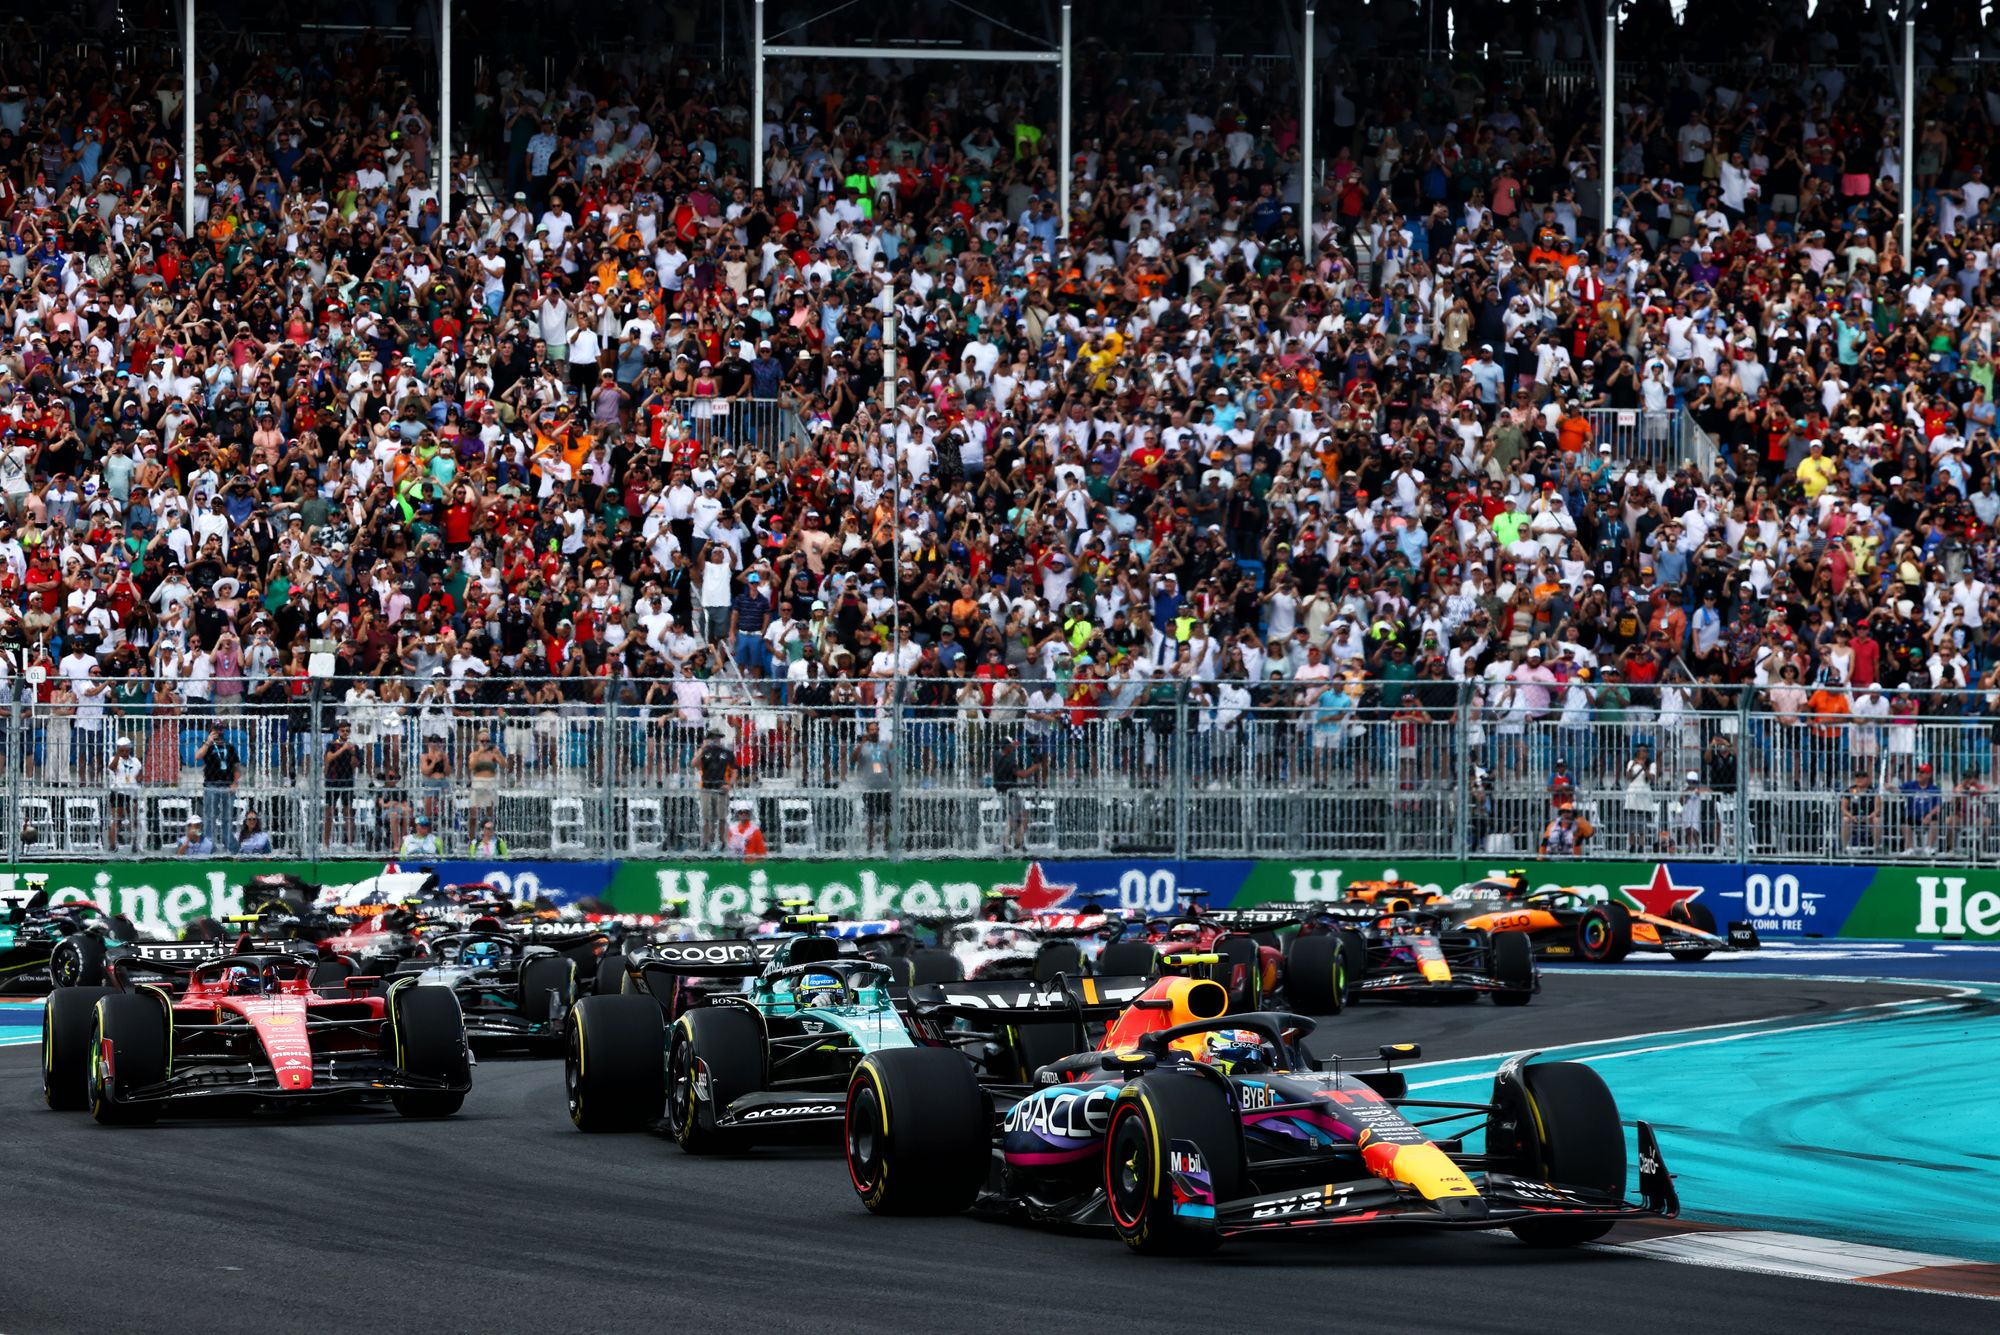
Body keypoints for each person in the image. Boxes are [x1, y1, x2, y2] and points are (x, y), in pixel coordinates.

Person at [195, 726, 242, 854]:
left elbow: (237, 767)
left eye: (220, 729)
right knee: (209, 818)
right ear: (210, 731)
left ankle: (231, 847)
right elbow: (197, 756)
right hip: (211, 785)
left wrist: (235, 783)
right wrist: (208, 742)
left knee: (227, 818)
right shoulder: (207, 746)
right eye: (215, 730)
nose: (218, 732)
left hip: (228, 786)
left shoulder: (230, 747)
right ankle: (209, 847)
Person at [993, 733, 1044, 852]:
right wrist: (1036, 766)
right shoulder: (1009, 761)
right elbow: (1023, 775)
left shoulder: (996, 757)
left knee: (1013, 819)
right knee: (1023, 818)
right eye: (1011, 745)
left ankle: (1009, 844)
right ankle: (1017, 843)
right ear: (1007, 747)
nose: (1013, 747)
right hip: (1012, 795)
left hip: (1003, 793)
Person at [848, 720, 894, 852]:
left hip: (885, 786)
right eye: (871, 730)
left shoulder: (886, 745)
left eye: (876, 729)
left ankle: (886, 842)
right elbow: (852, 759)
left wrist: (893, 781)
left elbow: (890, 764)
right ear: (867, 732)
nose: (874, 732)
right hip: (869, 787)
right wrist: (862, 744)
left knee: (887, 816)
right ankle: (870, 843)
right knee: (870, 817)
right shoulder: (863, 746)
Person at [323, 723, 361, 849]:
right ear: (338, 732)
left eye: (347, 731)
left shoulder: (354, 746)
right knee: (329, 812)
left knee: (348, 813)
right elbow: (329, 758)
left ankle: (349, 844)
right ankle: (326, 844)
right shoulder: (332, 744)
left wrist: (353, 753)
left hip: (347, 781)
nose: (345, 733)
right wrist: (343, 749)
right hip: (332, 780)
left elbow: (355, 765)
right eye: (342, 730)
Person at [695, 729, 735, 848]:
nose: (715, 740)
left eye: (717, 737)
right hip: (706, 788)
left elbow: (735, 771)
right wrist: (702, 748)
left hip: (721, 788)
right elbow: (693, 764)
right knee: (707, 818)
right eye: (712, 737)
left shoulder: (727, 753)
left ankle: (722, 842)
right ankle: (706, 842)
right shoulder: (704, 751)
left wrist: (729, 785)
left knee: (722, 818)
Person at [105, 736, 143, 851]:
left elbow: (140, 775)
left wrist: (139, 779)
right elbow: (112, 767)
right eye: (122, 749)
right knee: (117, 820)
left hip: (132, 793)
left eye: (126, 749)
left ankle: (134, 844)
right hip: (118, 793)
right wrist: (118, 755)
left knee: (133, 820)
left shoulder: (135, 761)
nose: (124, 752)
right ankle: (112, 845)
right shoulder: (114, 759)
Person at [1901, 763, 1943, 853]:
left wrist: (1929, 815)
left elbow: (1938, 806)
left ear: (1929, 775)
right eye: (1918, 772)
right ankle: (1910, 848)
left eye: (1922, 772)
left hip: (1927, 816)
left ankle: (1929, 847)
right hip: (1913, 816)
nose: (1919, 774)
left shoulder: (1934, 789)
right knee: (1904, 822)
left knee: (1935, 821)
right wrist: (1890, 787)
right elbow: (1898, 790)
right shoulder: (1911, 785)